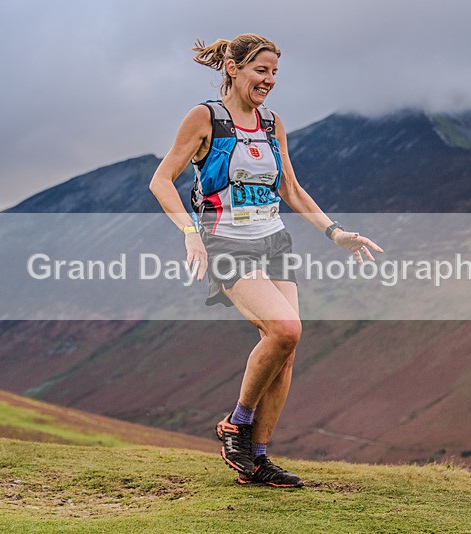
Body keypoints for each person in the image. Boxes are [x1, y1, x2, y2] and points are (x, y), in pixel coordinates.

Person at [149, 34, 382, 488]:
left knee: (287, 349)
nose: (270, 80)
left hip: (273, 243)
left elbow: (290, 188)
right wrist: (190, 233)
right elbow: (161, 181)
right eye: (261, 70)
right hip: (225, 242)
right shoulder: (205, 117)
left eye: (275, 72)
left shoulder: (272, 122)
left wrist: (337, 234)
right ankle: (236, 425)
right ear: (233, 69)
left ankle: (256, 457)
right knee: (286, 328)